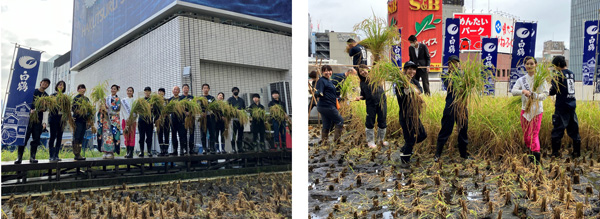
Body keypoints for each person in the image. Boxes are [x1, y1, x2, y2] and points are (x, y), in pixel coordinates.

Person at [434, 55, 472, 162]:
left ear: (459, 64)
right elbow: (450, 85)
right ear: (448, 64)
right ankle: (438, 154)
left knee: (463, 130)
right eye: (452, 63)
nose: (454, 64)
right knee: (445, 130)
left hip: (462, 106)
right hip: (450, 106)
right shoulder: (445, 75)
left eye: (456, 63)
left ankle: (463, 154)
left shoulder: (464, 74)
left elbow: (468, 87)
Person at [511, 57, 548, 164]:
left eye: (532, 64)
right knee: (527, 136)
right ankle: (531, 153)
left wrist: (534, 95)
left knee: (534, 134)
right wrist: (523, 91)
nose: (529, 66)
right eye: (527, 64)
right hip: (525, 110)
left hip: (537, 110)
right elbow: (513, 91)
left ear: (536, 65)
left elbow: (545, 95)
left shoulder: (541, 79)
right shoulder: (521, 80)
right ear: (525, 66)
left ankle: (536, 159)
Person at [396, 61, 428, 167]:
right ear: (405, 70)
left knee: (423, 135)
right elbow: (400, 97)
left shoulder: (415, 81)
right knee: (409, 139)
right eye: (409, 69)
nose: (412, 71)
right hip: (405, 115)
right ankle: (405, 162)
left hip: (415, 115)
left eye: (414, 69)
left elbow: (420, 90)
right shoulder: (400, 83)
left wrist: (414, 90)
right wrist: (406, 91)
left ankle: (405, 148)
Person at [549, 55, 581, 158]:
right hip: (571, 105)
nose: (554, 68)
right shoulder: (571, 74)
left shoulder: (558, 75)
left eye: (554, 66)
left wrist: (548, 90)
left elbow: (553, 91)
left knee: (557, 130)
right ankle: (576, 153)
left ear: (558, 64)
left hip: (561, 107)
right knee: (574, 130)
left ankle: (555, 154)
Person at [14, 78, 50, 164]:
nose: (45, 84)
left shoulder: (46, 96)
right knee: (24, 137)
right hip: (27, 119)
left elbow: (46, 108)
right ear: (40, 83)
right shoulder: (32, 92)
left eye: (47, 83)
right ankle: (19, 157)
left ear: (48, 86)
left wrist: (43, 109)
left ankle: (32, 157)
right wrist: (29, 110)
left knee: (36, 138)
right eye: (44, 82)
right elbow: (24, 102)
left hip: (38, 120)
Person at [354, 64, 388, 148]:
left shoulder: (376, 77)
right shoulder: (362, 83)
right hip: (370, 104)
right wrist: (359, 97)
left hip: (381, 102)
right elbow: (363, 95)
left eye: (364, 70)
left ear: (368, 69)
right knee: (369, 121)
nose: (363, 72)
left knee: (382, 120)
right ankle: (370, 141)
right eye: (360, 71)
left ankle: (381, 140)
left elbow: (381, 69)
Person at [315, 65, 344, 145]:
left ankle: (325, 142)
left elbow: (332, 93)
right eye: (325, 71)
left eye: (329, 71)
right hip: (327, 105)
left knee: (326, 124)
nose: (328, 72)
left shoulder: (329, 81)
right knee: (340, 121)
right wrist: (318, 93)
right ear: (322, 72)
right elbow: (320, 91)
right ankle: (337, 141)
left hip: (325, 106)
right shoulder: (322, 80)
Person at [98, 85, 122, 159]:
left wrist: (110, 107)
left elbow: (117, 108)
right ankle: (105, 151)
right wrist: (102, 107)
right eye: (112, 88)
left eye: (115, 89)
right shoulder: (107, 98)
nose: (113, 90)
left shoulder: (118, 99)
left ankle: (111, 152)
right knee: (105, 135)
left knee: (111, 136)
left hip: (113, 120)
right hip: (106, 120)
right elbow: (103, 107)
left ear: (117, 90)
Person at [48, 80, 67, 162]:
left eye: (62, 85)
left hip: (61, 120)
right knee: (52, 137)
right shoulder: (52, 96)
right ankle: (51, 155)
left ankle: (56, 155)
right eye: (59, 84)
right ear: (56, 86)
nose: (60, 86)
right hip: (53, 118)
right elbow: (49, 107)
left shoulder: (65, 97)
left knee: (59, 137)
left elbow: (67, 109)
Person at [71, 84, 89, 161]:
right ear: (78, 90)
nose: (82, 89)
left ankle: (79, 153)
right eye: (80, 88)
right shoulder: (76, 98)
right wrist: (81, 111)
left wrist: (89, 119)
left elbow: (89, 110)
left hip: (84, 121)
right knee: (77, 136)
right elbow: (73, 109)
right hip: (78, 120)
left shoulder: (86, 99)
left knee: (81, 137)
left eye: (83, 88)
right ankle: (76, 154)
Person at [139, 87, 158, 157]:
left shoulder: (153, 101)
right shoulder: (141, 101)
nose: (147, 93)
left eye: (148, 91)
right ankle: (141, 151)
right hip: (141, 120)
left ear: (150, 92)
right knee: (141, 136)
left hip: (149, 121)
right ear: (144, 92)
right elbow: (137, 110)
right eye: (146, 91)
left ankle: (149, 151)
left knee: (149, 136)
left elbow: (156, 111)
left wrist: (155, 120)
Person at [228, 87, 246, 153]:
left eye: (237, 90)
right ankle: (233, 148)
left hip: (241, 119)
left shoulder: (241, 100)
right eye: (234, 90)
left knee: (240, 133)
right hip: (233, 119)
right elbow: (228, 109)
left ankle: (240, 147)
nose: (235, 91)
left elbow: (244, 108)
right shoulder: (230, 100)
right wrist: (235, 111)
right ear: (232, 92)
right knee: (234, 133)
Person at [170, 86, 187, 156]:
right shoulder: (170, 100)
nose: (175, 91)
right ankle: (175, 150)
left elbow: (187, 107)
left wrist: (187, 112)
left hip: (181, 119)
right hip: (173, 120)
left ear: (179, 91)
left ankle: (182, 150)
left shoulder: (182, 99)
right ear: (172, 91)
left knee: (181, 135)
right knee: (173, 135)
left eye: (177, 90)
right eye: (174, 89)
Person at [200, 84, 216, 154]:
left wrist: (211, 111)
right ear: (202, 89)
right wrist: (201, 112)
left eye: (207, 88)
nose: (205, 89)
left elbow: (215, 107)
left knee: (212, 132)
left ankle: (212, 147)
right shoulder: (200, 98)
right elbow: (197, 107)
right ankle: (204, 148)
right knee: (203, 133)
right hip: (203, 118)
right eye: (204, 88)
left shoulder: (212, 98)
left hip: (211, 117)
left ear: (209, 89)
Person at [121, 87, 136, 158]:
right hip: (125, 120)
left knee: (132, 136)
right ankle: (127, 152)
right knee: (126, 135)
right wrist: (126, 118)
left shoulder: (135, 101)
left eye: (131, 91)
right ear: (126, 92)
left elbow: (136, 112)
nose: (129, 92)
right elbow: (121, 111)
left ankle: (131, 153)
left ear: (133, 92)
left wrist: (132, 118)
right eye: (128, 91)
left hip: (132, 121)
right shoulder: (123, 101)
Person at [181, 84, 196, 154]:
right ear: (182, 89)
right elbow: (179, 107)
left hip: (191, 117)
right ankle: (185, 149)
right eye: (184, 88)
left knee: (191, 133)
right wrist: (185, 112)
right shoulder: (180, 98)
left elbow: (195, 106)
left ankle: (191, 148)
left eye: (187, 88)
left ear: (188, 89)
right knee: (184, 133)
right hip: (184, 118)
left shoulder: (192, 97)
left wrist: (190, 112)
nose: (186, 89)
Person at [156, 88, 170, 156]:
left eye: (162, 92)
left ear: (164, 93)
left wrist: (166, 113)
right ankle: (161, 150)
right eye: (159, 92)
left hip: (166, 120)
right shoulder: (155, 101)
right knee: (160, 134)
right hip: (158, 120)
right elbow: (154, 111)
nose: (160, 93)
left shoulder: (167, 101)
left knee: (166, 134)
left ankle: (166, 150)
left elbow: (171, 109)